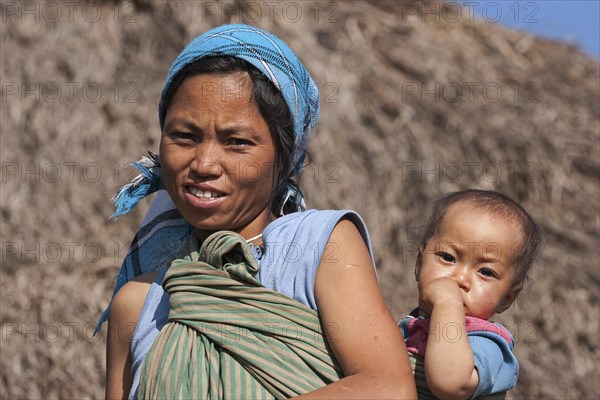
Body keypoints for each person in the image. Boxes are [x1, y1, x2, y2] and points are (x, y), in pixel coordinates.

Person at [101, 24, 416, 399]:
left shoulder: (318, 248)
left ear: (283, 158)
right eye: (184, 136)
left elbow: (388, 387)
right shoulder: (137, 304)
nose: (204, 163)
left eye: (237, 142)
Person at [399, 189, 543, 399]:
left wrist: (448, 303)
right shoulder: (411, 327)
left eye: (485, 272)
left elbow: (449, 382)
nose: (460, 278)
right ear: (419, 263)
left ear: (507, 299)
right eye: (448, 257)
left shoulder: (486, 344)